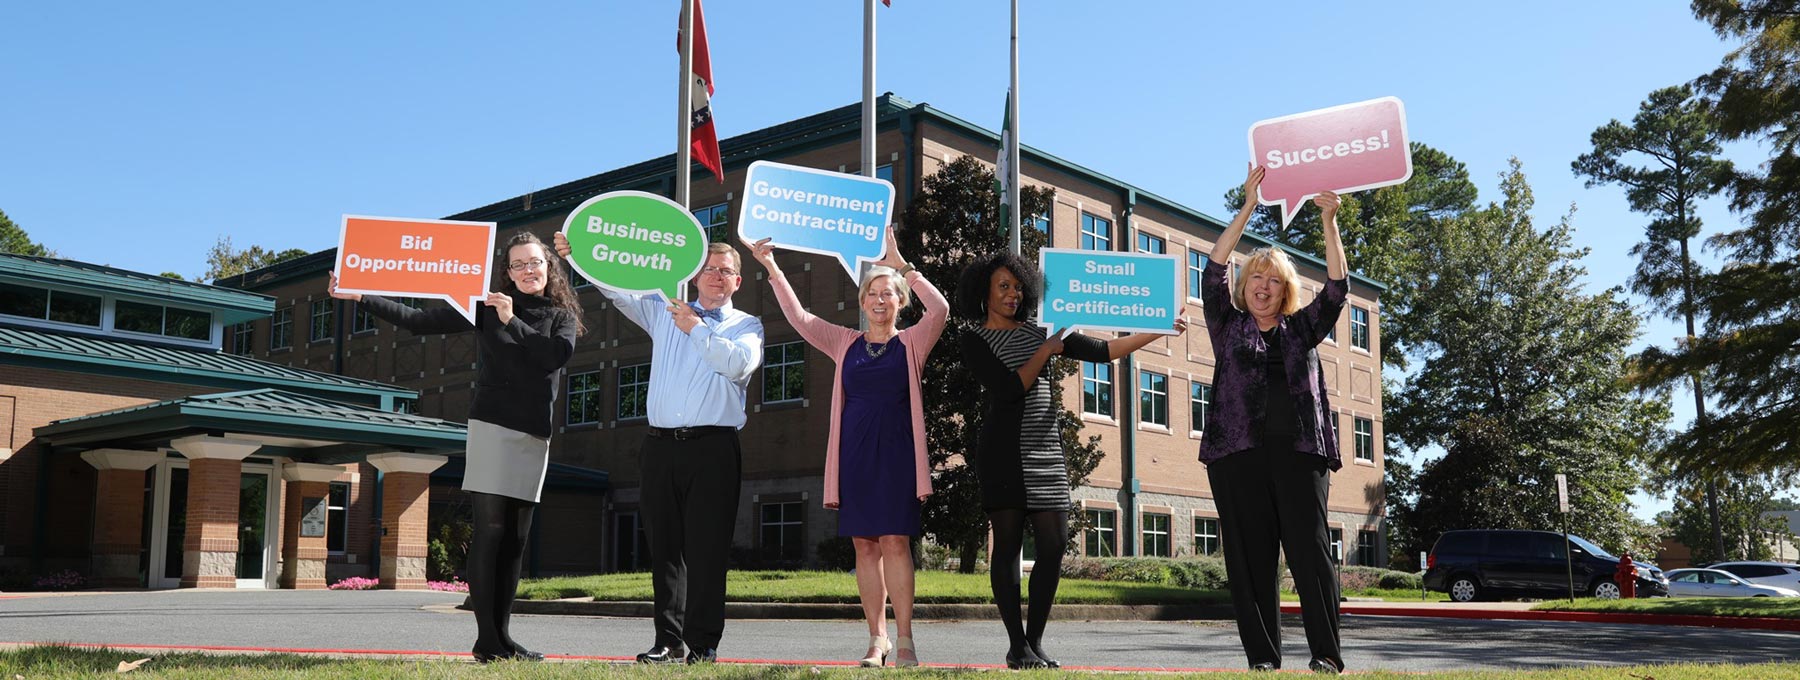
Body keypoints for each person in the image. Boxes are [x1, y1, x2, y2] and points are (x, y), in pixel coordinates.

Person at [330, 232, 583, 664]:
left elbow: (552, 357)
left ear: (549, 267)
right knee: (492, 532)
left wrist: (512, 322)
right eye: (518, 265)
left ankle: (502, 638)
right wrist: (360, 296)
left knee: (516, 541)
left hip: (534, 434)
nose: (528, 271)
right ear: (507, 272)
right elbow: (417, 321)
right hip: (491, 426)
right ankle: (487, 640)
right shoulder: (485, 308)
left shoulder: (561, 317)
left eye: (535, 263)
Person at [956, 252, 1189, 669]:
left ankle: (1035, 641)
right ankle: (1016, 644)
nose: (1013, 294)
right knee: (1006, 547)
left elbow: (1104, 350)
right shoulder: (974, 339)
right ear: (984, 293)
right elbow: (1009, 389)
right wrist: (1046, 351)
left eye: (1018, 286)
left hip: (1046, 452)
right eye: (1003, 287)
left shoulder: (1041, 328)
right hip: (1003, 455)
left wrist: (1159, 330)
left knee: (1054, 544)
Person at [552, 231, 764, 665]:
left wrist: (697, 328)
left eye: (726, 271)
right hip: (660, 448)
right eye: (709, 268)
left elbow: (739, 364)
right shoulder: (664, 311)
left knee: (707, 549)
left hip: (714, 449)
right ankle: (668, 642)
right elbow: (616, 288)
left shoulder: (747, 325)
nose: (716, 276)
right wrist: (579, 255)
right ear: (694, 274)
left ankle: (703, 644)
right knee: (665, 549)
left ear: (738, 282)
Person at [742, 227, 946, 668]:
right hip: (854, 455)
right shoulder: (844, 343)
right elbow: (799, 318)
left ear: (899, 302)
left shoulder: (912, 343)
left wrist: (902, 264)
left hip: (896, 456)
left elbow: (942, 308)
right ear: (862, 302)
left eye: (887, 293)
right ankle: (878, 639)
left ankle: (906, 639)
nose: (879, 299)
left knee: (895, 542)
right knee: (865, 547)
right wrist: (771, 266)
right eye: (872, 293)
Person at [1198, 164, 1348, 674]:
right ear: (1246, 287)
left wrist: (1329, 222)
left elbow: (1336, 289)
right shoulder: (1226, 325)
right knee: (1249, 559)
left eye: (1273, 281)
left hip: (1300, 455)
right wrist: (1247, 206)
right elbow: (1212, 272)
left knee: (1311, 557)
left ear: (1286, 291)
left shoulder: (1302, 329)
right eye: (1256, 278)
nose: (1263, 287)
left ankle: (1326, 655)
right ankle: (1263, 659)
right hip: (1236, 455)